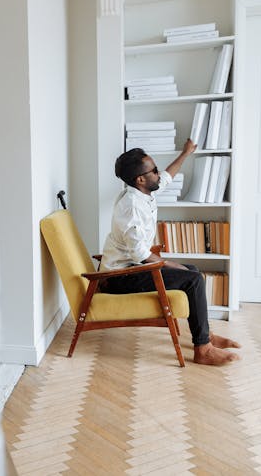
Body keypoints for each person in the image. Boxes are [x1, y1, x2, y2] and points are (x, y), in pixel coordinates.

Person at [100, 139, 241, 365]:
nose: (158, 173)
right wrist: (173, 265)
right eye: (154, 170)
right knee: (192, 278)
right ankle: (202, 349)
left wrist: (186, 153)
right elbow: (140, 254)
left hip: (133, 268)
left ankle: (205, 336)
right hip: (120, 277)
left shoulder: (144, 191)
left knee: (193, 271)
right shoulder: (131, 206)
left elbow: (166, 177)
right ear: (141, 179)